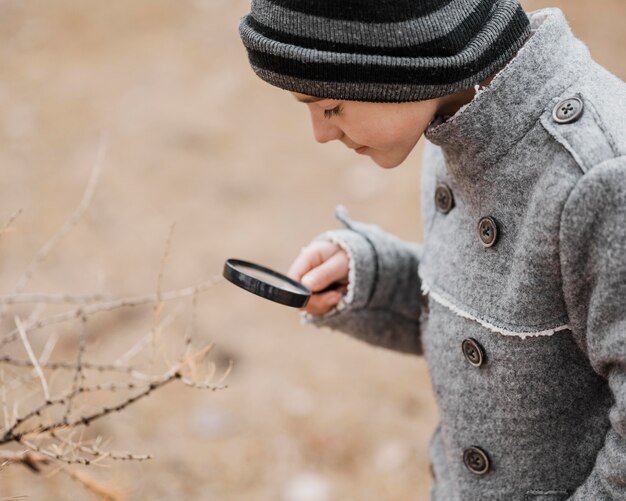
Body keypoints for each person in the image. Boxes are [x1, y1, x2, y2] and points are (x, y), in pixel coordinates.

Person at [238, 1, 626, 499]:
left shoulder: (598, 177)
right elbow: (510, 334)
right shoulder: (460, 119)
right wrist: (375, 279)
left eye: (331, 106)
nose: (320, 133)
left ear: (401, 58)